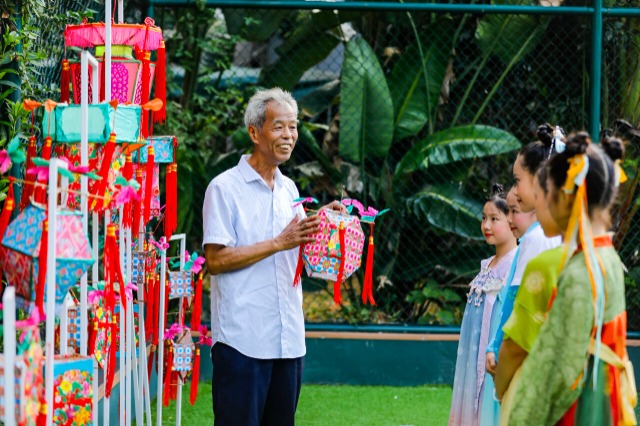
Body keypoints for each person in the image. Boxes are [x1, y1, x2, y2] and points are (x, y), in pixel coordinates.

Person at [202, 88, 343, 426]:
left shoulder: (289, 189)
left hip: (289, 338)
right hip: (242, 340)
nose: (289, 136)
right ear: (255, 133)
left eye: (293, 127)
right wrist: (279, 241)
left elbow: (293, 247)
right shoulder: (224, 188)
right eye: (279, 127)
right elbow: (216, 261)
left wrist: (324, 224)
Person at [508, 133, 636, 425]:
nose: (538, 203)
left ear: (567, 199)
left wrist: (523, 417)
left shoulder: (581, 273)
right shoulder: (608, 261)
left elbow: (558, 367)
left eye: (546, 193)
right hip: (604, 405)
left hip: (580, 412)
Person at [481, 125, 562, 426]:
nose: (513, 192)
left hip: (530, 366)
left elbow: (517, 307)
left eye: (517, 182)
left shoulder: (537, 239)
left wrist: (497, 355)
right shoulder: (562, 234)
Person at [449, 184, 518, 426]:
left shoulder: (515, 266)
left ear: (513, 221)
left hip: (494, 357)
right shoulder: (486, 264)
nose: (486, 225)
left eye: (494, 219)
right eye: (484, 218)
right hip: (472, 358)